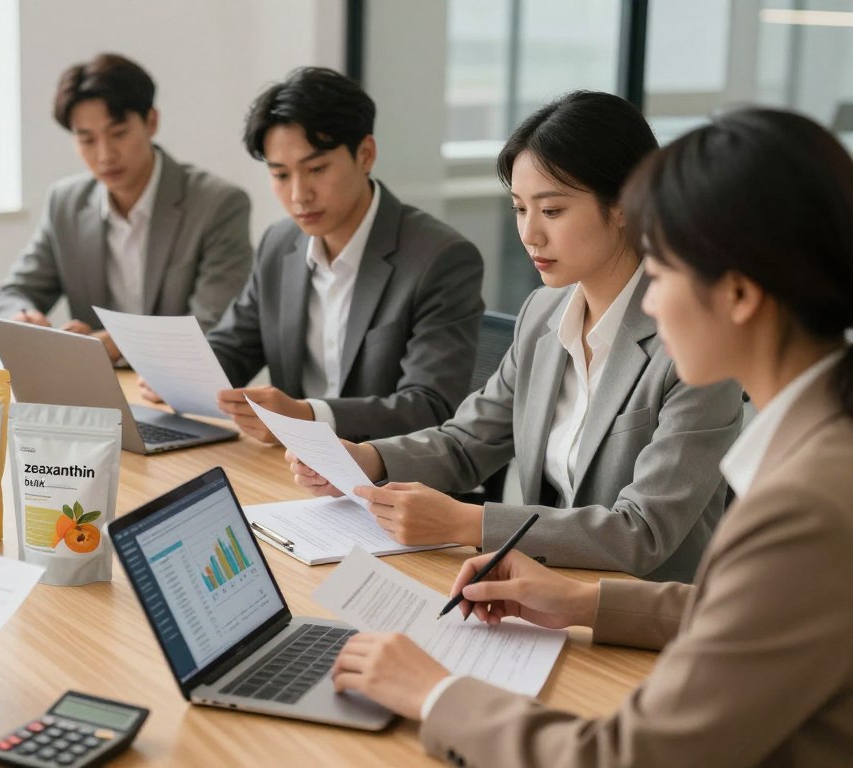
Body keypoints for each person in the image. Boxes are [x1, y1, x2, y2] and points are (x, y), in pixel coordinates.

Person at [330, 107, 853, 766]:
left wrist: (436, 694)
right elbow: (757, 614)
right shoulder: (819, 453)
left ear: (740, 295)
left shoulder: (806, 505)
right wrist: (582, 601)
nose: (651, 302)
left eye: (664, 273)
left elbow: (628, 758)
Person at [289, 91, 742, 581]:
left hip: (640, 609)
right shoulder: (543, 312)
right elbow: (467, 443)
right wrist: (368, 459)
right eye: (520, 209)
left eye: (552, 211)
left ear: (625, 204)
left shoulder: (695, 345)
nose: (529, 234)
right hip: (540, 589)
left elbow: (642, 532)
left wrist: (467, 521)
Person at [192, 67, 484, 443]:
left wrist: (307, 417)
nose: (299, 195)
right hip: (292, 464)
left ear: (365, 154)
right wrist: (182, 373)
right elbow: (234, 348)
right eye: (281, 175)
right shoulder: (279, 244)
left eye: (316, 169)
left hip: (385, 469)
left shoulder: (440, 258)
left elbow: (429, 406)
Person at [0, 53, 252, 362]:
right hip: (95, 381)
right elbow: (10, 295)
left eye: (119, 134)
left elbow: (213, 325)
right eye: (87, 140)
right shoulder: (66, 202)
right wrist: (23, 317)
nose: (105, 155)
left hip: (181, 381)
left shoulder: (217, 204)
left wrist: (121, 343)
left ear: (151, 121)